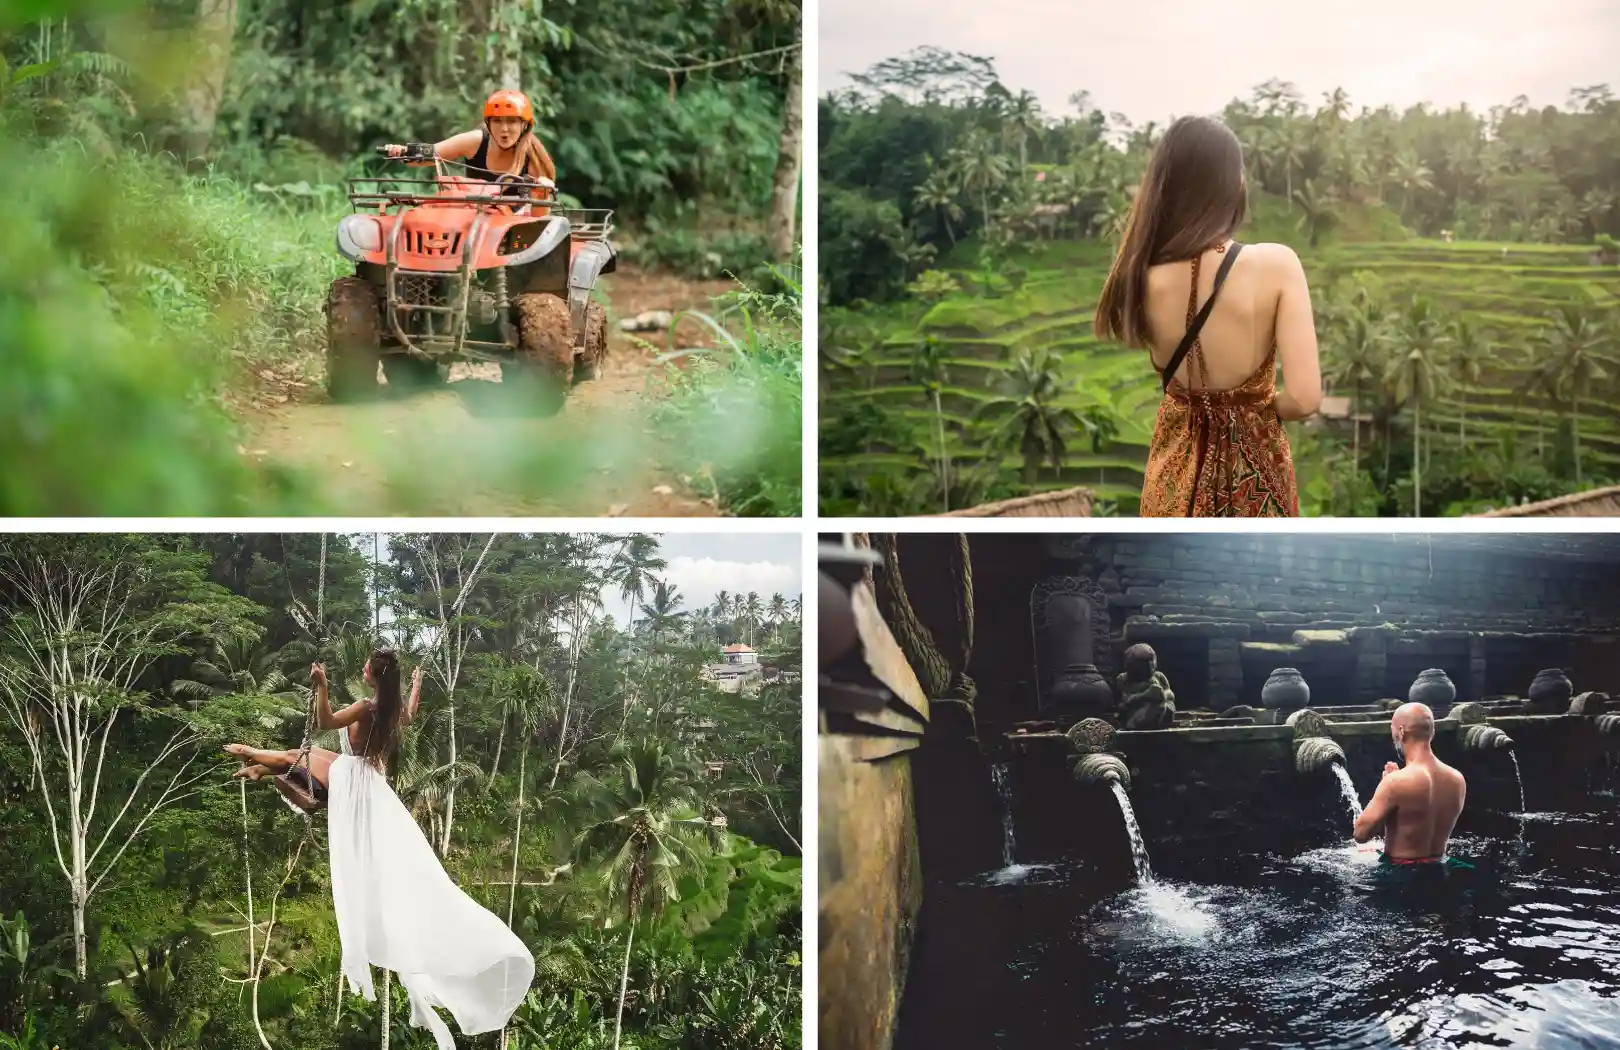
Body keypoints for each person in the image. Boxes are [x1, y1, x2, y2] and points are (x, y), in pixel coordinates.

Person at [226, 650, 533, 1050]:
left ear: (373, 675)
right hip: (370, 781)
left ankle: (255, 757)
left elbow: (324, 722)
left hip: (353, 779)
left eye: (367, 666)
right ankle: (263, 769)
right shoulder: (390, 710)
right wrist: (418, 687)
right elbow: (410, 713)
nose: (363, 668)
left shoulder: (366, 707)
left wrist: (322, 686)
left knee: (295, 758)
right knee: (304, 763)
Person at [1094, 114, 1322, 517]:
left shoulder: (1138, 278)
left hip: (1174, 477)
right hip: (1253, 480)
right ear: (1231, 185)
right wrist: (1250, 411)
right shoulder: (1276, 265)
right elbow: (1304, 399)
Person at [1353, 702, 1468, 865]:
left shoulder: (1395, 782)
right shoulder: (1457, 779)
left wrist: (1386, 786)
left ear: (1400, 731)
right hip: (1441, 869)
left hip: (1401, 875)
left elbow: (1361, 834)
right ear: (1432, 732)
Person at [382, 89, 556, 185]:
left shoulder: (532, 157)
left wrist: (542, 190)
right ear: (488, 124)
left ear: (524, 125)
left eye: (511, 122)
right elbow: (431, 155)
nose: (504, 129)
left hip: (516, 226)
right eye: (497, 121)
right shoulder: (476, 141)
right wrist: (403, 152)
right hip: (475, 218)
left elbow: (540, 215)